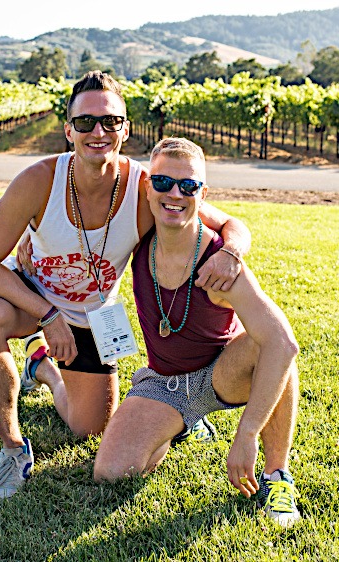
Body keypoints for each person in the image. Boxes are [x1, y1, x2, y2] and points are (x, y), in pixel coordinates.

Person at [0, 71, 251, 502]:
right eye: (85, 122)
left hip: (98, 315)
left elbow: (227, 223)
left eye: (111, 122)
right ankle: (13, 448)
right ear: (68, 130)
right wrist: (48, 313)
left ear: (125, 129)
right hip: (33, 299)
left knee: (89, 427)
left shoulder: (146, 188)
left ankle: (41, 367)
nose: (98, 132)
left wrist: (231, 252)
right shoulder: (39, 181)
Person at [93, 137, 301, 528]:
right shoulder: (137, 237)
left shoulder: (220, 263)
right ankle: (183, 422)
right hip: (165, 381)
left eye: (188, 186)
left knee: (269, 342)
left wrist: (247, 434)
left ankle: (277, 475)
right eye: (163, 183)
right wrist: (27, 240)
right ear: (146, 187)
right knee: (112, 472)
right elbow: (79, 230)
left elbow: (283, 343)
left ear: (202, 194)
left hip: (224, 374)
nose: (175, 194)